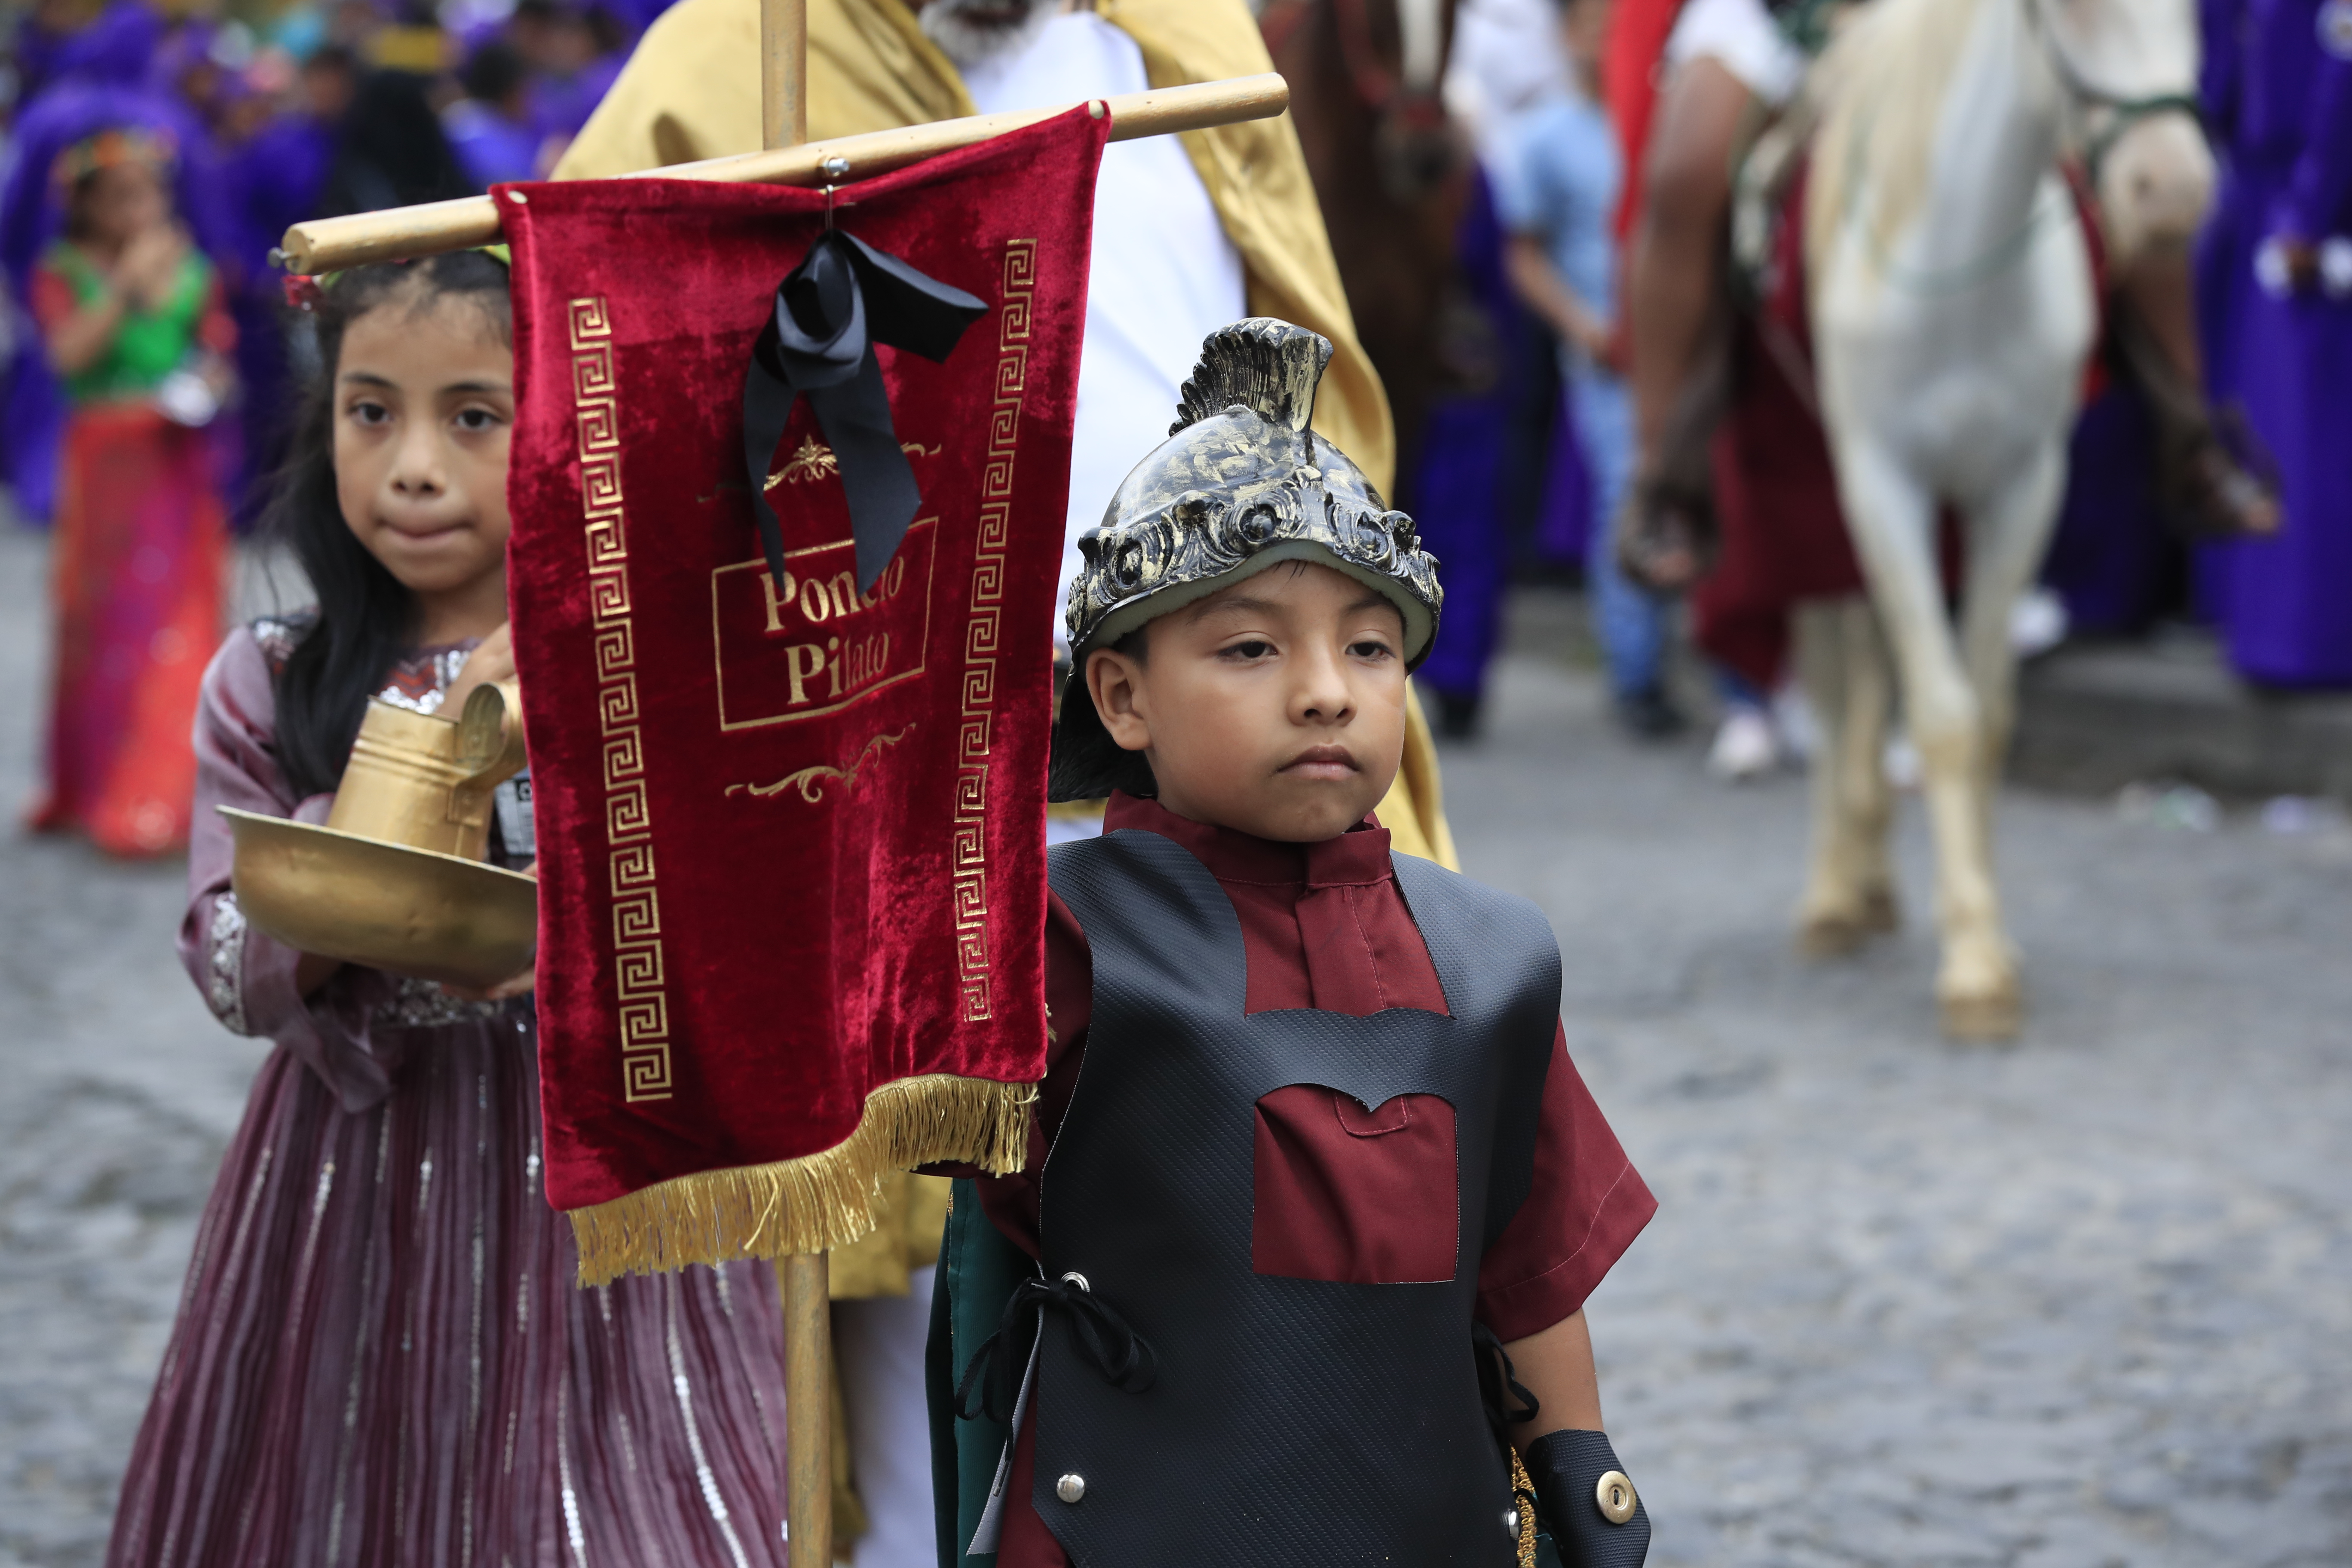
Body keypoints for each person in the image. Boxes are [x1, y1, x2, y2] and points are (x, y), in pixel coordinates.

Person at [930, 319, 1656, 1568]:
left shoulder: (1493, 959)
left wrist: (1580, 1469)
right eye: (1252, 647)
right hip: (1130, 1532)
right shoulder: (1045, 930)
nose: (1326, 689)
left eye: (1369, 646)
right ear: (1121, 695)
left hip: (1430, 1526)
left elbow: (1530, 1272)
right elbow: (854, 1080)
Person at [107, 250, 792, 1565]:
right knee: (360, 1490)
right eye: (373, 412)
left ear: (566, 433)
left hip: (615, 1185)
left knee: (624, 1506)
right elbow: (228, 960)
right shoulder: (275, 681)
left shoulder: (655, 667)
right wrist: (404, 765)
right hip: (355, 1179)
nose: (414, 465)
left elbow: (741, 922)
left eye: (473, 417)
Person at [28, 124, 233, 856]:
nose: (140, 211)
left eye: (150, 195)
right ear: (87, 206)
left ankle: (163, 794)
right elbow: (67, 354)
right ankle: (91, 783)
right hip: (102, 462)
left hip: (174, 460)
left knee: (178, 616)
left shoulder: (192, 271)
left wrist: (205, 382)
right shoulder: (64, 269)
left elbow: (214, 356)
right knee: (101, 620)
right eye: (122, 198)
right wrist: (125, 286)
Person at [1501, 0, 1686, 738]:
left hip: (1681, 343)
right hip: (1608, 355)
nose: (1605, 38)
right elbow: (1524, 253)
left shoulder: (1671, 116)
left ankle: (1742, 683)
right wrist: (1582, 324)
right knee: (1626, 494)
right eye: (1590, 23)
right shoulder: (1543, 136)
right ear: (1564, 35)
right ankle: (1637, 675)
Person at [2196, 0, 2352, 684]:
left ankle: (2302, 635)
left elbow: (2337, 85)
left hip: (2305, 208)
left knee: (2305, 435)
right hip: (2276, 194)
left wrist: (2307, 222)